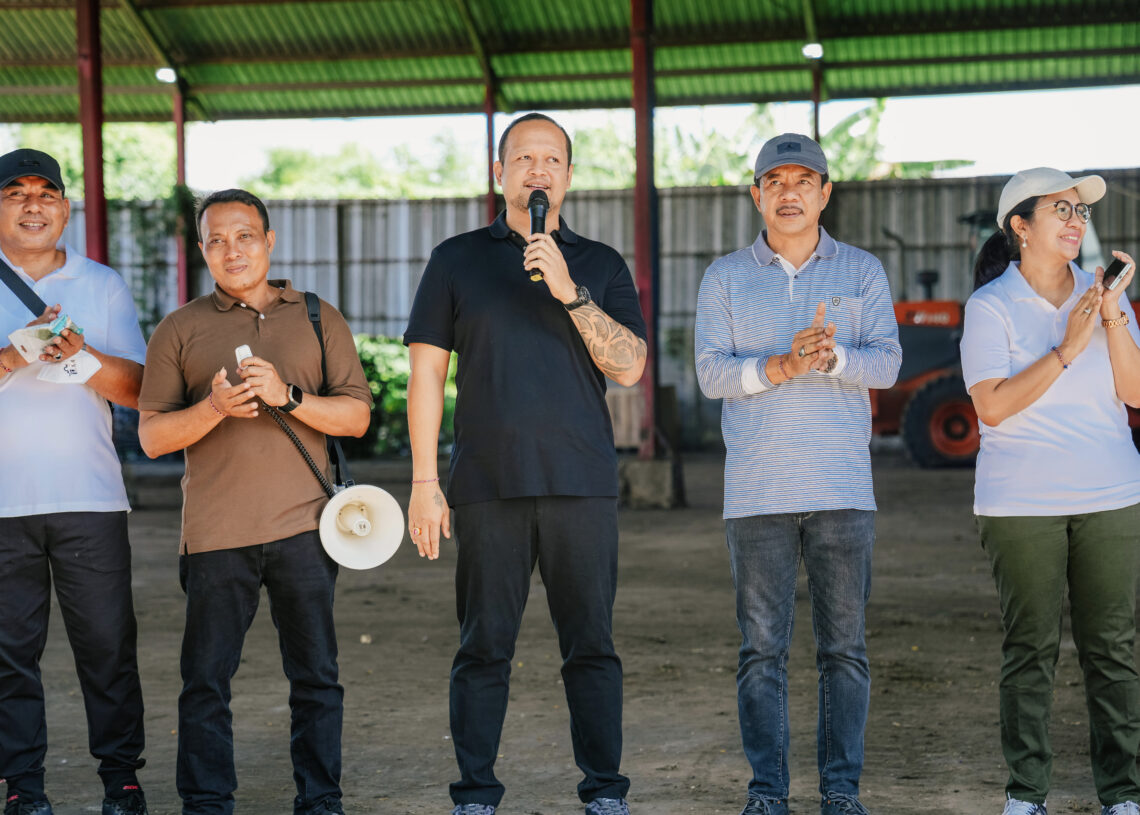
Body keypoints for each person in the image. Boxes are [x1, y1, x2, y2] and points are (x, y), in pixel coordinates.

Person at [404, 112, 647, 815]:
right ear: (499, 172)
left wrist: (570, 290)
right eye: (523, 157)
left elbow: (629, 366)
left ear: (567, 176)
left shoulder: (598, 263)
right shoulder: (456, 260)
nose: (537, 170)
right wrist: (424, 482)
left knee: (591, 647)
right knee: (483, 647)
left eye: (551, 159)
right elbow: (426, 377)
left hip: (581, 484)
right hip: (487, 484)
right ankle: (475, 794)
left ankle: (604, 790)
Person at [136, 189, 372, 815]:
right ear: (202, 251)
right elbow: (153, 437)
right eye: (216, 239)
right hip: (216, 535)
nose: (231, 249)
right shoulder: (179, 328)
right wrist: (213, 408)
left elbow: (355, 416)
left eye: (244, 235)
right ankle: (207, 804)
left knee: (316, 679)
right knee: (206, 685)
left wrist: (290, 396)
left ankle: (320, 800)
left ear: (269, 240)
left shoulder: (319, 316)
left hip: (306, 530)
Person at [694, 133, 901, 815]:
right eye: (774, 180)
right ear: (756, 194)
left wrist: (834, 359)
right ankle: (768, 793)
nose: (789, 193)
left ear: (826, 192)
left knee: (844, 650)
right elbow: (710, 372)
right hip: (757, 496)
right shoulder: (724, 276)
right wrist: (781, 365)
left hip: (842, 491)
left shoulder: (862, 270)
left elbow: (889, 364)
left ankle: (841, 792)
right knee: (762, 652)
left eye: (803, 180)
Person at [961, 167, 1140, 815]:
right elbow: (995, 407)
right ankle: (1025, 794)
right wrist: (1068, 347)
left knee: (1112, 648)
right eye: (1060, 209)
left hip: (1112, 493)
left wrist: (1113, 317)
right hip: (1020, 503)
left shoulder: (1102, 299)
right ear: (1020, 225)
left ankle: (1123, 794)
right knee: (1030, 648)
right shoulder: (990, 307)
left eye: (1082, 212)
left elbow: (1135, 392)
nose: (1076, 220)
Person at [0, 149, 149, 815]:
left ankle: (121, 781)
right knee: (8, 658)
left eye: (46, 193)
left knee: (108, 646)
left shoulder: (103, 284)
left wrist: (80, 356)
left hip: (90, 497)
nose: (33, 204)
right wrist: (16, 351)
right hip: (3, 504)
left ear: (64, 208)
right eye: (15, 193)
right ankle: (22, 790)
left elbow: (143, 390)